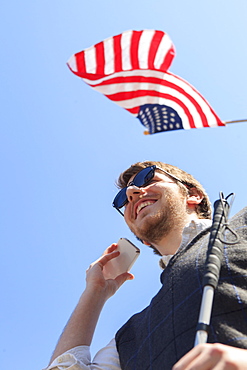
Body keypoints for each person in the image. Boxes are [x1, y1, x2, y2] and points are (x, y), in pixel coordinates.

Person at [44, 161, 247, 370]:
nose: (131, 192)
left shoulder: (243, 227)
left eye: (148, 178)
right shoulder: (129, 337)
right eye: (122, 199)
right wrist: (94, 293)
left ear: (193, 195)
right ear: (142, 239)